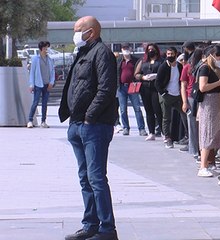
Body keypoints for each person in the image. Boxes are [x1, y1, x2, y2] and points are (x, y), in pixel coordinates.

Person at [59, 16, 119, 240]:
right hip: (77, 124)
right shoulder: (83, 53)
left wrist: (89, 117)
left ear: (91, 32)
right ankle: (90, 224)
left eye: (78, 30)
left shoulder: (101, 52)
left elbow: (106, 88)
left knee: (96, 178)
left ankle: (107, 228)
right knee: (85, 178)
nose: (74, 35)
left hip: (94, 126)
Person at [197, 46, 220, 177]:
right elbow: (203, 87)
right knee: (207, 133)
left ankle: (206, 165)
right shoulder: (205, 68)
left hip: (214, 104)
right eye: (219, 58)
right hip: (209, 104)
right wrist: (219, 82)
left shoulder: (213, 69)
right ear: (212, 55)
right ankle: (203, 166)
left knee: (212, 133)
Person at [155, 46, 188, 149]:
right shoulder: (163, 66)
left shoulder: (179, 66)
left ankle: (188, 135)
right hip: (166, 95)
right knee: (166, 117)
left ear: (175, 54)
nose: (170, 56)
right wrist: (163, 93)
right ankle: (167, 138)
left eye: (172, 54)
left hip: (178, 95)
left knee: (184, 114)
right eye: (168, 54)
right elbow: (157, 83)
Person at [134, 43, 164, 140]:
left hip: (156, 88)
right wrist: (143, 77)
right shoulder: (143, 61)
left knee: (158, 110)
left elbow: (165, 73)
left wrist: (156, 76)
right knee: (148, 110)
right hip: (145, 88)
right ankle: (151, 132)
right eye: (149, 49)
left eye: (152, 49)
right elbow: (136, 74)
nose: (151, 50)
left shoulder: (161, 61)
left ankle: (163, 132)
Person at [116, 43, 147, 136]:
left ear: (130, 49)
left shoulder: (136, 60)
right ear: (121, 50)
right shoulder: (119, 61)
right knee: (122, 109)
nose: (125, 50)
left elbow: (139, 72)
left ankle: (141, 128)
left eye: (127, 48)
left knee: (137, 108)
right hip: (121, 87)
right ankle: (126, 127)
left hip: (132, 87)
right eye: (124, 48)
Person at [27, 41, 55, 128]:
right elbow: (32, 72)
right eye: (45, 47)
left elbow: (52, 72)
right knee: (35, 102)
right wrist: (31, 84)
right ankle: (30, 120)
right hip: (38, 84)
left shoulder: (50, 59)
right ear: (41, 48)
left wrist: (51, 82)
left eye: (47, 47)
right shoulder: (35, 59)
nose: (47, 49)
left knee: (45, 103)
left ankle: (43, 121)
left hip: (47, 84)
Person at [181, 47, 203, 157]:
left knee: (199, 125)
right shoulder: (188, 67)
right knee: (193, 125)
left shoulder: (204, 68)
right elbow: (183, 85)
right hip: (191, 97)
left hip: (201, 97)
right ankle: (195, 150)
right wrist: (184, 101)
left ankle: (200, 150)